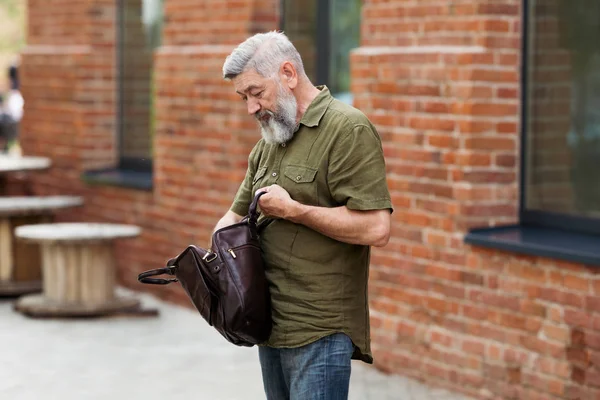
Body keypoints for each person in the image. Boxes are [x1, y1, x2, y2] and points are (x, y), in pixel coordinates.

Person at [215, 31, 393, 400]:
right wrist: (207, 267)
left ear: (288, 74)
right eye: (243, 97)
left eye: (255, 92)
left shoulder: (348, 130)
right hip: (268, 325)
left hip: (320, 330)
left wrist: (295, 211)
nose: (251, 107)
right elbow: (230, 220)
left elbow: (376, 228)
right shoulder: (269, 142)